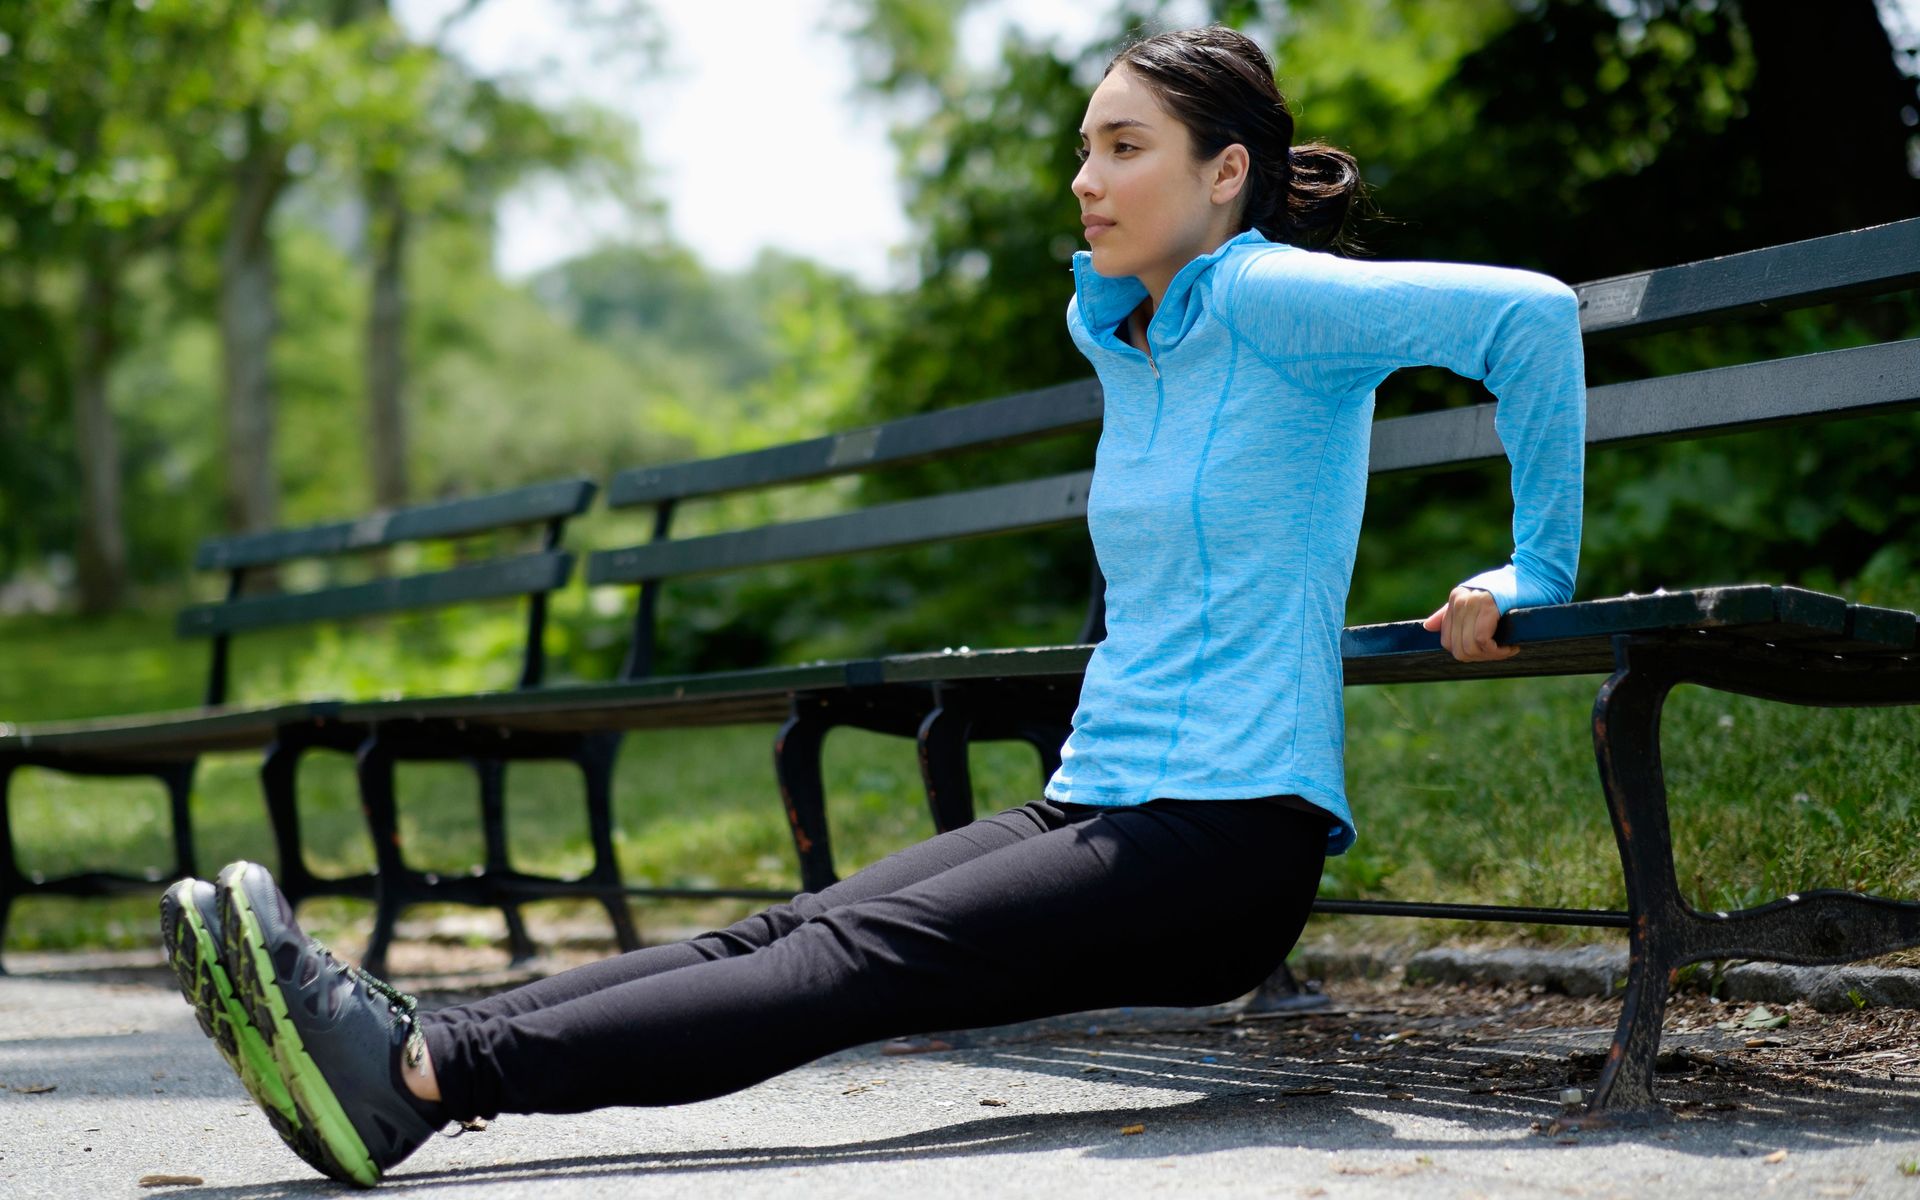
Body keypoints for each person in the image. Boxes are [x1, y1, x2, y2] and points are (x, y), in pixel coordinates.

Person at [158, 24, 1585, 1188]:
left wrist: (1534, 569)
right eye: (1084, 145)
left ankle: (413, 1074)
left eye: (1122, 147)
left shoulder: (1276, 298)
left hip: (1221, 837)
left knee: (846, 966)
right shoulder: (1144, 338)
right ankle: (400, 1055)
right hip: (1104, 800)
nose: (1084, 177)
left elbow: (1525, 317)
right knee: (778, 936)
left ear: (1226, 176)